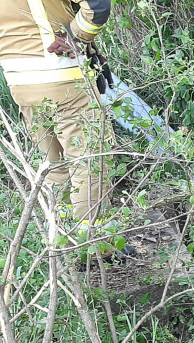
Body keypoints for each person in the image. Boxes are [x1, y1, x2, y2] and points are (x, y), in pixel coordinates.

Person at [0, 0, 113, 228]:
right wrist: (74, 36)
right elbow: (98, 6)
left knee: (54, 165)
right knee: (89, 162)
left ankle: (62, 237)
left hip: (20, 84)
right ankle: (93, 248)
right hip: (65, 79)